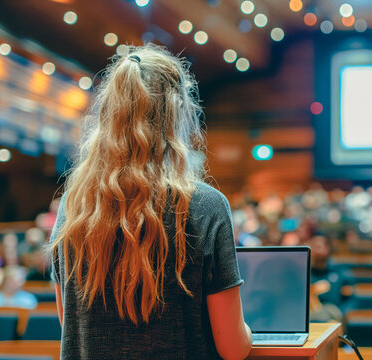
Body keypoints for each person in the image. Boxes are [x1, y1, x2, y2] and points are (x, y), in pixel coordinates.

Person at [47, 45, 251, 360]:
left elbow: (72, 326)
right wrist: (250, 329)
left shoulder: (74, 207)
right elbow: (233, 349)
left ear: (108, 114)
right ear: (178, 113)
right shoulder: (206, 206)